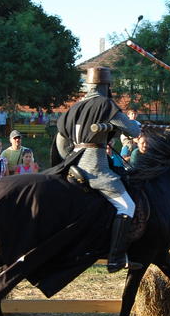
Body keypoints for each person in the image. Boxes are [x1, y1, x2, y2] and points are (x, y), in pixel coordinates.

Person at [55, 66, 142, 273]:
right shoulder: (105, 105)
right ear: (106, 85)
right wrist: (136, 125)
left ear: (89, 85)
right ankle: (116, 258)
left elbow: (60, 142)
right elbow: (132, 130)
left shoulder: (75, 107)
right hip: (95, 167)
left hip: (73, 164)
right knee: (127, 206)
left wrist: (71, 159)